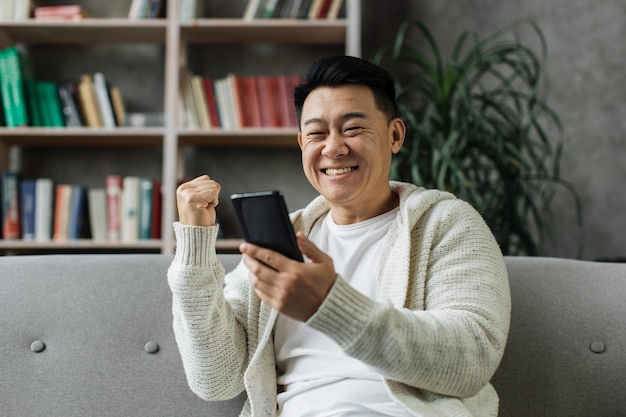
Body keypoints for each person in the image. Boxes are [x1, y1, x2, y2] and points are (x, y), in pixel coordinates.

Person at [168, 55, 511, 417]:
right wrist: (195, 248)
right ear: (302, 143)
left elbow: (472, 359)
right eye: (316, 133)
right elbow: (215, 379)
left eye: (352, 129)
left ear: (395, 135)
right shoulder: (284, 239)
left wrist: (330, 305)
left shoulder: (446, 224)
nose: (333, 148)